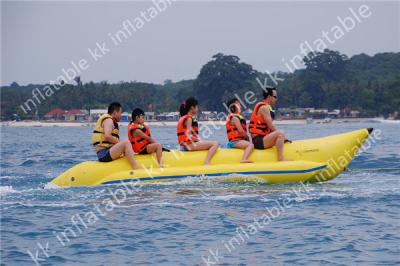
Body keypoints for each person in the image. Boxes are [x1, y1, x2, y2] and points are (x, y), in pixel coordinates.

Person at [91, 102, 142, 169]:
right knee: (125, 142)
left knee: (125, 140)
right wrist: (119, 142)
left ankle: (130, 157)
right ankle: (135, 167)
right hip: (104, 154)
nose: (121, 115)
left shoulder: (109, 120)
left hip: (107, 151)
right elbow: (107, 136)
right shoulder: (108, 120)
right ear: (115, 112)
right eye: (120, 112)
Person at [249, 87, 290, 161]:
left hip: (263, 138)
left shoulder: (266, 107)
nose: (276, 99)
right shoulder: (264, 108)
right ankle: (280, 158)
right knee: (280, 133)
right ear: (269, 97)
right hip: (259, 141)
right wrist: (284, 137)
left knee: (279, 134)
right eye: (275, 97)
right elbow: (271, 126)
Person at [177, 97, 219, 165]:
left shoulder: (183, 118)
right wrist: (198, 140)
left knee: (207, 144)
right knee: (215, 143)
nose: (197, 108)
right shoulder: (189, 118)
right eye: (196, 106)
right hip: (189, 145)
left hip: (184, 145)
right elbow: (189, 135)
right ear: (192, 107)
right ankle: (207, 162)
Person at [226, 98, 254, 163]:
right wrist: (247, 138)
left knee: (250, 144)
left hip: (238, 141)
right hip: (235, 142)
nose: (240, 106)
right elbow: (241, 131)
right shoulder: (235, 118)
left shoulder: (237, 118)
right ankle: (244, 159)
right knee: (250, 145)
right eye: (238, 104)